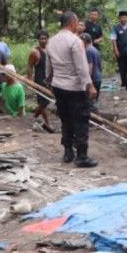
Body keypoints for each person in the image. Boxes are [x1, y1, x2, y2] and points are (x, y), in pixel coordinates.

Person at [47, 11, 98, 168]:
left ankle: (68, 151)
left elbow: (49, 67)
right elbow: (81, 67)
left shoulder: (51, 41)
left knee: (66, 119)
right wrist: (90, 86)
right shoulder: (75, 41)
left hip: (58, 86)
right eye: (77, 23)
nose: (78, 25)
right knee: (81, 121)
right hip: (75, 87)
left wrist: (50, 82)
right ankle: (82, 156)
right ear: (72, 23)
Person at [27, 30, 54, 133]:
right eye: (41, 38)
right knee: (42, 102)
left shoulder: (50, 50)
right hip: (40, 80)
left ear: (48, 39)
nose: (43, 40)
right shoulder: (35, 52)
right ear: (38, 39)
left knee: (47, 101)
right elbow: (30, 66)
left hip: (50, 80)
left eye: (45, 38)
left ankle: (34, 115)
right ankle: (48, 123)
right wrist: (30, 81)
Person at [81, 33, 102, 109]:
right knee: (94, 101)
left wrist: (88, 81)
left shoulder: (88, 51)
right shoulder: (95, 50)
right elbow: (100, 65)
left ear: (84, 41)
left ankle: (93, 118)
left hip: (93, 79)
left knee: (89, 103)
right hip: (98, 77)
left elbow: (90, 67)